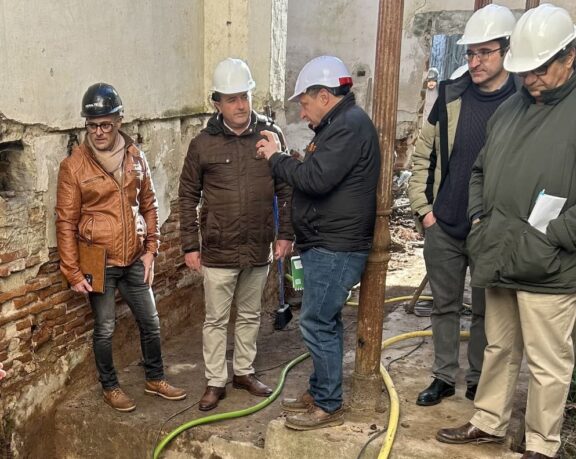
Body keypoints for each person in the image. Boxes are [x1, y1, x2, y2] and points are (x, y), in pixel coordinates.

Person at [435, 5, 576, 458]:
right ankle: (488, 422)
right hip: (501, 250)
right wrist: (481, 219)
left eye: (540, 69)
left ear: (570, 55)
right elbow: (481, 168)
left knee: (547, 363)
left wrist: (558, 235)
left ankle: (542, 444)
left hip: (552, 261)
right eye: (524, 71)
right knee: (499, 347)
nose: (531, 80)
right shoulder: (511, 106)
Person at [255, 55, 380, 430]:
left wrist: (276, 158)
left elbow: (315, 179)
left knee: (314, 322)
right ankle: (320, 388)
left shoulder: (347, 127)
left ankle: (328, 403)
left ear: (324, 96)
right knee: (325, 321)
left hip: (336, 245)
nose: (303, 112)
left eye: (305, 103)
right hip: (327, 242)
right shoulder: (339, 127)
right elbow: (318, 173)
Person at [408, 4, 518, 407]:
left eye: (484, 53)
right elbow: (423, 157)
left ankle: (477, 379)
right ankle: (441, 376)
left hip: (493, 229)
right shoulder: (451, 96)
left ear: (507, 51)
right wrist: (425, 211)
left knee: (488, 311)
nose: (474, 61)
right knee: (444, 306)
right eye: (470, 53)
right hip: (446, 223)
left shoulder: (524, 102)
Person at [55, 83, 186, 412]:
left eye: (106, 124)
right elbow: (66, 222)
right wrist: (71, 271)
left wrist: (151, 249)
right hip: (99, 261)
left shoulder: (135, 156)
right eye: (92, 125)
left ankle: (155, 379)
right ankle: (110, 386)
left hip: (134, 257)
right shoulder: (74, 166)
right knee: (105, 328)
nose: (98, 132)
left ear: (119, 122)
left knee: (151, 321)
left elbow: (150, 205)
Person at [178, 58, 293, 412]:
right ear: (218, 103)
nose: (241, 105)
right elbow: (187, 195)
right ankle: (215, 380)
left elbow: (287, 188)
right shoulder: (203, 144)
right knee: (215, 319)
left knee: (250, 314)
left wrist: (285, 232)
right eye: (232, 99)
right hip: (218, 248)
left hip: (258, 245)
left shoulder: (269, 135)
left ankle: (243, 371)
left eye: (244, 96)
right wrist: (189, 244)